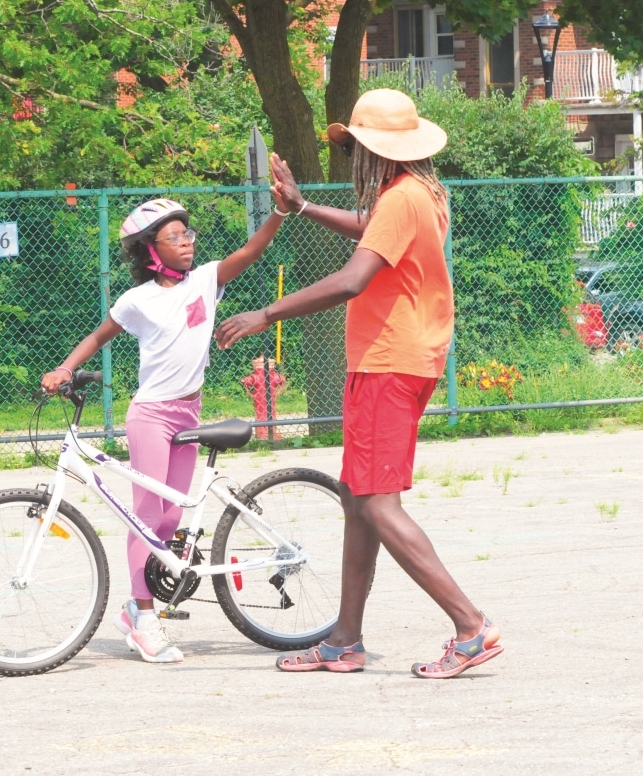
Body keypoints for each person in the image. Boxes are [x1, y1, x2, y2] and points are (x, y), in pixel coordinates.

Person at [215, 88, 503, 679]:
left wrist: (264, 315)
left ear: (376, 151)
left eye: (354, 151)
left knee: (376, 502)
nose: (351, 162)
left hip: (387, 365)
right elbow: (370, 229)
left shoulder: (401, 199)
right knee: (358, 500)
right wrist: (303, 207)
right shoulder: (422, 193)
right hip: (401, 362)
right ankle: (345, 639)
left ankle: (471, 627)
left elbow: (352, 279)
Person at [42, 197, 285, 663]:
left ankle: (137, 606)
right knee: (147, 518)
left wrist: (279, 211)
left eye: (188, 234)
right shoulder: (138, 300)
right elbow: (98, 336)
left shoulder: (207, 280)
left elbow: (252, 250)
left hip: (188, 415)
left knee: (172, 520)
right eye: (174, 238)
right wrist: (65, 367)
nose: (186, 243)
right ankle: (146, 619)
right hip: (151, 416)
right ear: (149, 250)